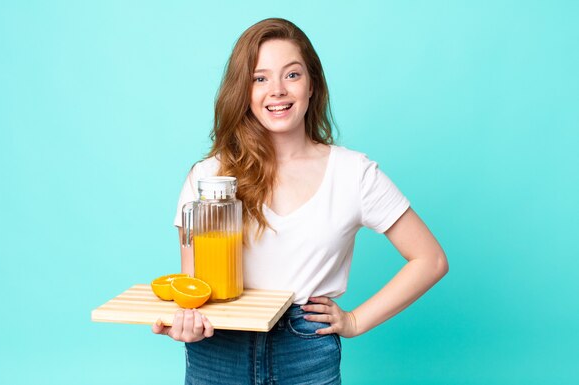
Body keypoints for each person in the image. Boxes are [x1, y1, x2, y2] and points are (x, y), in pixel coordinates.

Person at [152, 17, 448, 384]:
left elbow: (430, 259)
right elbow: (193, 283)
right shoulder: (208, 178)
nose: (276, 90)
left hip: (305, 350)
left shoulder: (353, 173)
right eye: (260, 78)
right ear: (244, 92)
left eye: (291, 75)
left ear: (312, 86)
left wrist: (354, 321)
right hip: (218, 348)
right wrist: (187, 322)